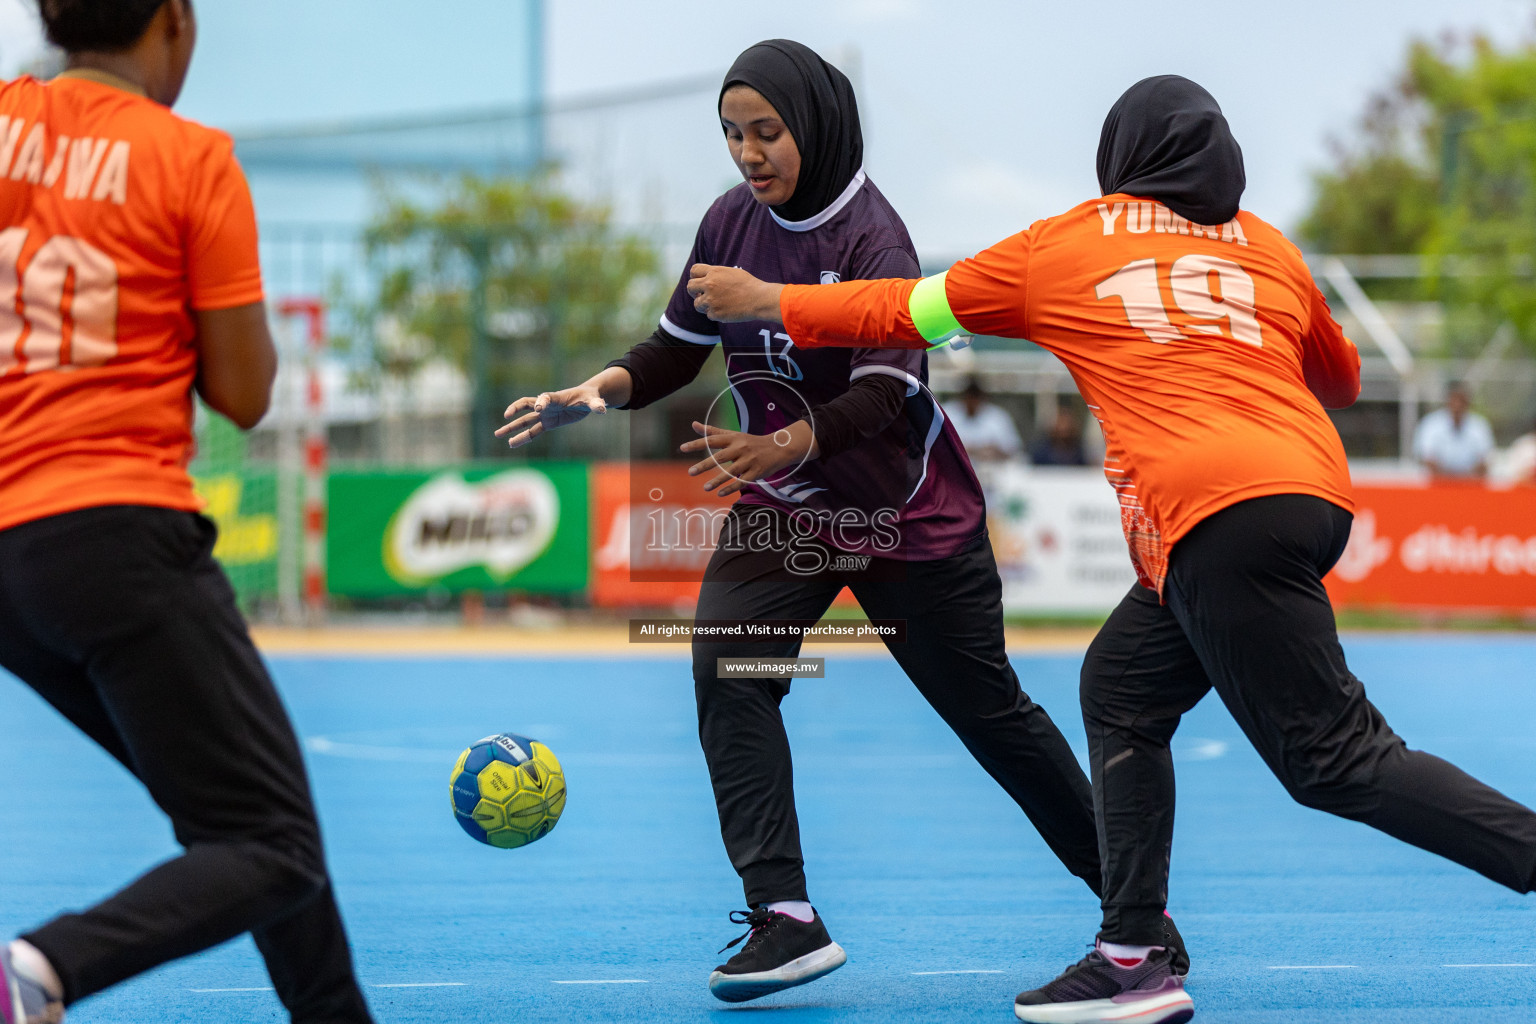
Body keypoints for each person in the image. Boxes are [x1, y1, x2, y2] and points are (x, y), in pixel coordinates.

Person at [687, 74, 1536, 1024]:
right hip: (1308, 497)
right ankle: (1131, 951)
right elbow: (1337, 379)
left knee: (1336, 762)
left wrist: (773, 298)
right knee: (1121, 687)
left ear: (1117, 158)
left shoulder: (1072, 243)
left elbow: (905, 310)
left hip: (1215, 510)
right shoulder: (1269, 247)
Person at [498, 40, 1185, 1005]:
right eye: (733, 134)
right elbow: (674, 347)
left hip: (909, 519)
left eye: (766, 132)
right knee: (727, 668)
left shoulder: (873, 239)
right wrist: (598, 391)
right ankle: (784, 918)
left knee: (994, 722)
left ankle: (1138, 927)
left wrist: (782, 445)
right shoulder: (727, 222)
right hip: (786, 510)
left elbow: (886, 393)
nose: (748, 153)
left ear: (812, 127)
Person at [0, 3, 373, 1022]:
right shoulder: (188, 156)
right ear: (174, 19)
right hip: (115, 532)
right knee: (272, 839)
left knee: (251, 817)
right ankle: (39, 969)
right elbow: (244, 393)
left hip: (8, 555)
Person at [1413, 381, 1494, 479]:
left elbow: (1485, 460)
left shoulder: (1479, 426)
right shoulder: (1431, 424)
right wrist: (1449, 480)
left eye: (1461, 400)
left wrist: (1463, 480)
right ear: (1447, 401)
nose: (1457, 405)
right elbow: (1426, 458)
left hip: (1470, 487)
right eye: (1454, 399)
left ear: (1468, 402)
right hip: (1436, 486)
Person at [945, 375, 1024, 461]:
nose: (971, 399)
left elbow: (1014, 449)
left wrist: (995, 451)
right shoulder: (947, 413)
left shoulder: (997, 417)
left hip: (992, 469)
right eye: (968, 395)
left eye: (975, 395)